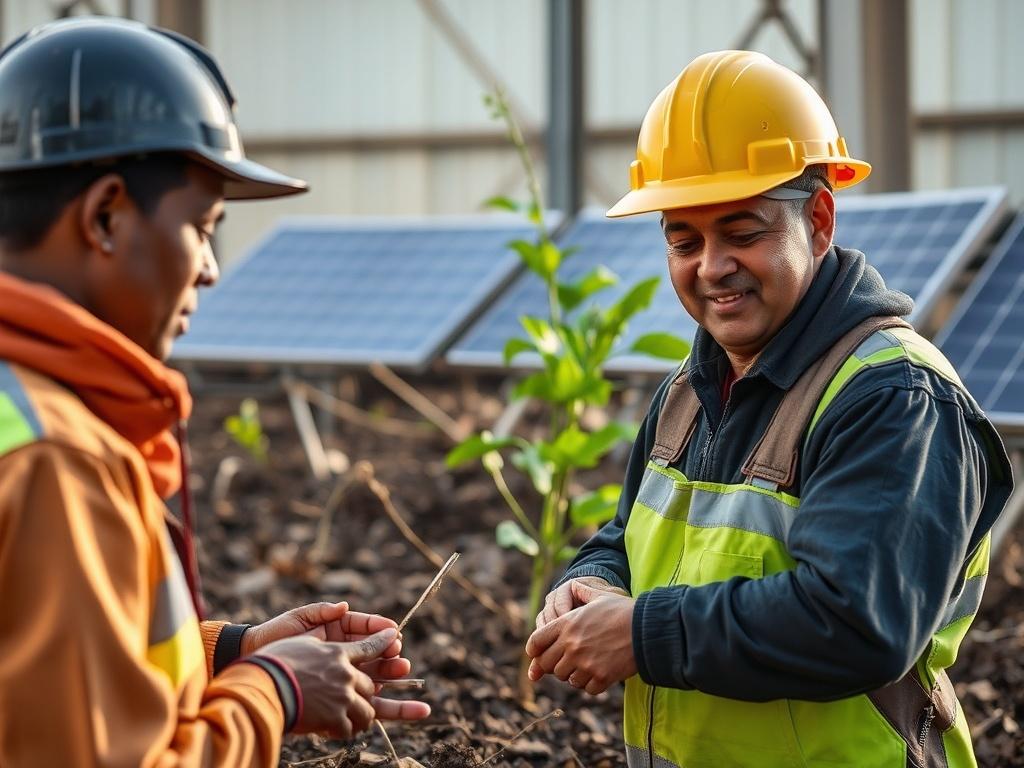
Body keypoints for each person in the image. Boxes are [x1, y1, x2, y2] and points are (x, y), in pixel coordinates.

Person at [525, 50, 1013, 767]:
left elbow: (856, 623)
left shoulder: (893, 398)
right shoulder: (688, 390)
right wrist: (591, 580)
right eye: (684, 241)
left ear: (817, 219)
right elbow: (633, 534)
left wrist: (641, 635)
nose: (711, 267)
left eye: (742, 233)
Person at [0, 17, 428, 765]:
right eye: (203, 227)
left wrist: (233, 651)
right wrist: (273, 690)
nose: (210, 269)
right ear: (105, 216)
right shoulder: (54, 458)